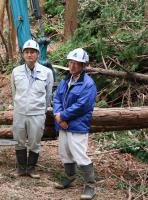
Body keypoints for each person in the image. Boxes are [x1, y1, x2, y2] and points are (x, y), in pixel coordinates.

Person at [53, 48, 97, 200]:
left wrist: (63, 116)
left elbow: (82, 105)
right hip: (63, 124)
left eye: (76, 64)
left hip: (77, 125)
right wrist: (58, 116)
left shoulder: (88, 84)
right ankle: (70, 177)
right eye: (70, 62)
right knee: (65, 152)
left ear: (83, 66)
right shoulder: (66, 80)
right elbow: (57, 98)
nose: (72, 66)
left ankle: (90, 185)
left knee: (79, 154)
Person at [11, 39, 54, 178]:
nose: (30, 55)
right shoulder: (16, 72)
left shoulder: (46, 72)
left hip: (37, 113)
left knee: (35, 142)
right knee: (19, 140)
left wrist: (42, 109)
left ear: (38, 54)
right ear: (23, 54)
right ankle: (21, 168)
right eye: (27, 52)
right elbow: (14, 92)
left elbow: (48, 95)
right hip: (20, 113)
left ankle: (31, 168)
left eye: (33, 52)